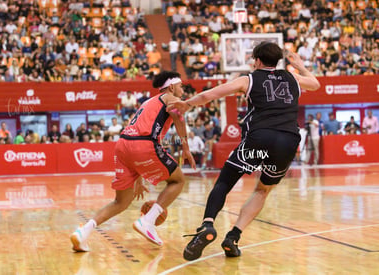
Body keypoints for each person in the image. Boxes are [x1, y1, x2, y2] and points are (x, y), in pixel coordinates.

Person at [167, 42, 320, 261]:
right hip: (288, 140)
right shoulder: (293, 78)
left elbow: (210, 95)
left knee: (224, 183)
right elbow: (315, 84)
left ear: (257, 60)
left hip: (260, 138)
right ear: (278, 61)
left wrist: (187, 104)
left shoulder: (249, 79)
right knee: (262, 190)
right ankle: (233, 236)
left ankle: (207, 225)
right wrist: (300, 66)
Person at [70, 71, 196, 252]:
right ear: (171, 87)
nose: (183, 89)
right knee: (178, 180)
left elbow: (135, 133)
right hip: (143, 145)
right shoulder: (169, 97)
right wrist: (185, 147)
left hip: (123, 145)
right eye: (181, 86)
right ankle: (148, 220)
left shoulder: (147, 102)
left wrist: (138, 175)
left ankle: (83, 232)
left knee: (121, 202)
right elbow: (178, 117)